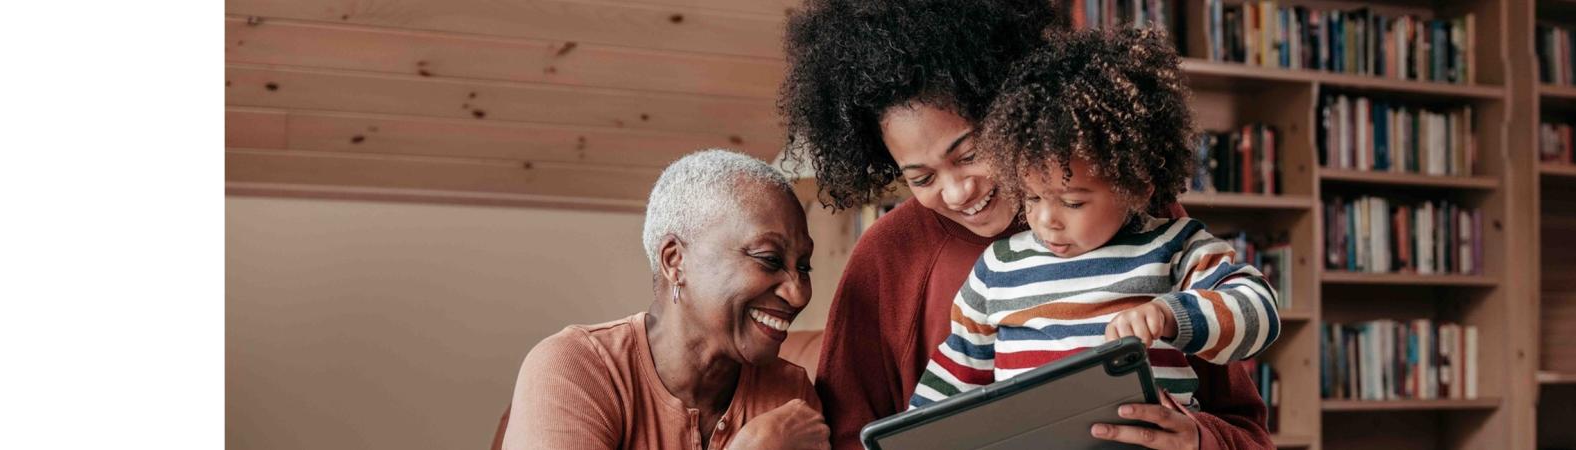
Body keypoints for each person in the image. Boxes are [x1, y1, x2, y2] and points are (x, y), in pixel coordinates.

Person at [779, 0, 1275, 448]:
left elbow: (1246, 429)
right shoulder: (889, 259)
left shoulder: (1137, 220)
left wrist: (1197, 438)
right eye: (922, 177)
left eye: (970, 153)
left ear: (1009, 112)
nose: (957, 192)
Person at [908, 29, 1282, 439]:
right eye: (1031, 197)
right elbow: (951, 381)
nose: (1046, 220)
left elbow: (1257, 312)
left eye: (1072, 202)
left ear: (1137, 186)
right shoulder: (998, 268)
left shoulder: (1173, 246)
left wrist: (1170, 315)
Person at [502, 149, 829, 450]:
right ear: (675, 261)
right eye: (769, 259)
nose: (798, 293)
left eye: (804, 266)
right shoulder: (574, 368)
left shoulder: (790, 399)